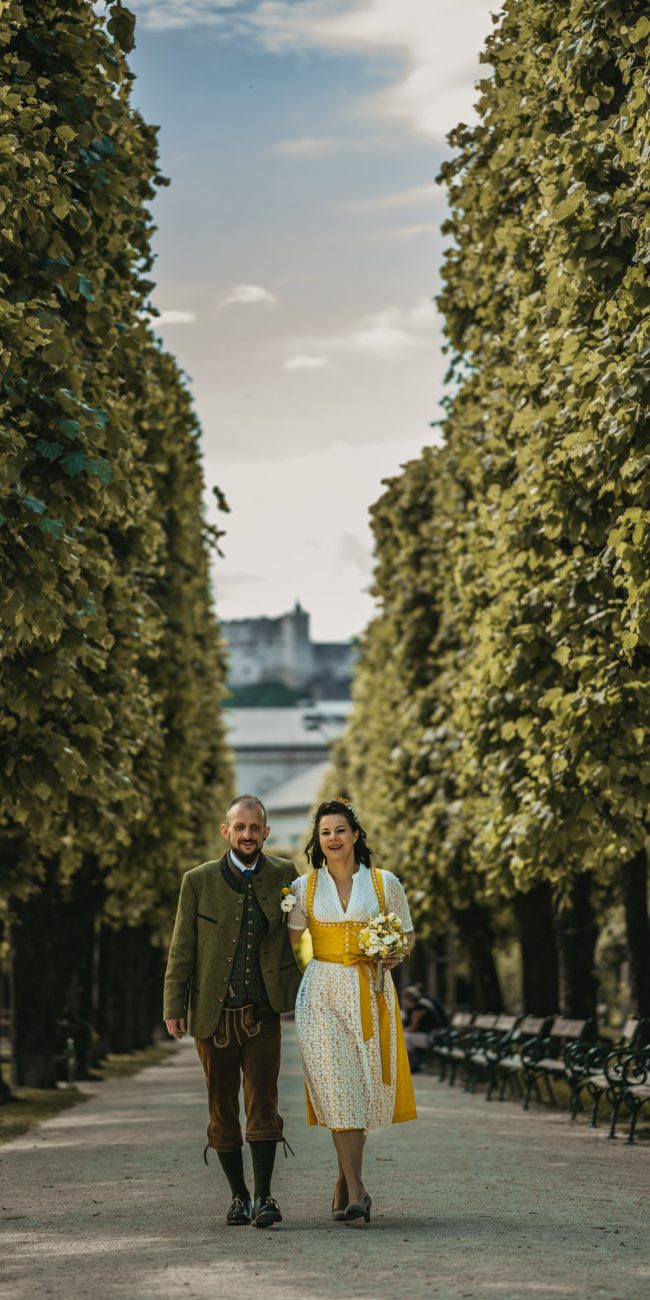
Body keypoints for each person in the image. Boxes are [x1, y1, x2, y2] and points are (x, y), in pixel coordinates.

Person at [163, 794, 301, 1228]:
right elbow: (182, 947)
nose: (247, 835)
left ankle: (264, 1198)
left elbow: (300, 935)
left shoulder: (285, 874)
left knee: (264, 1102)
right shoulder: (198, 880)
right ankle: (238, 1197)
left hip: (262, 1011)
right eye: (239, 828)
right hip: (212, 1013)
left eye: (254, 828)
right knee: (222, 1108)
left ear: (265, 831)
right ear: (226, 831)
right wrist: (173, 1004)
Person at [287, 798, 417, 1227]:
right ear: (317, 840)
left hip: (370, 992)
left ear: (356, 835)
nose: (333, 839)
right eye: (325, 832)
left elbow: (408, 935)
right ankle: (360, 1191)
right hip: (321, 993)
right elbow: (287, 947)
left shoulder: (384, 884)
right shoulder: (305, 888)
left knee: (357, 1090)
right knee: (337, 1086)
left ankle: (344, 1184)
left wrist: (393, 952)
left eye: (340, 830)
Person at [401, 985, 448, 1073]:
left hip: (433, 1037)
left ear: (409, 999)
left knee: (404, 1037)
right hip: (433, 1035)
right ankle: (412, 1065)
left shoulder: (418, 1008)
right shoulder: (422, 1004)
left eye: (404, 999)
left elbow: (412, 1028)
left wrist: (399, 1031)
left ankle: (409, 1066)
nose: (403, 1002)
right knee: (405, 1037)